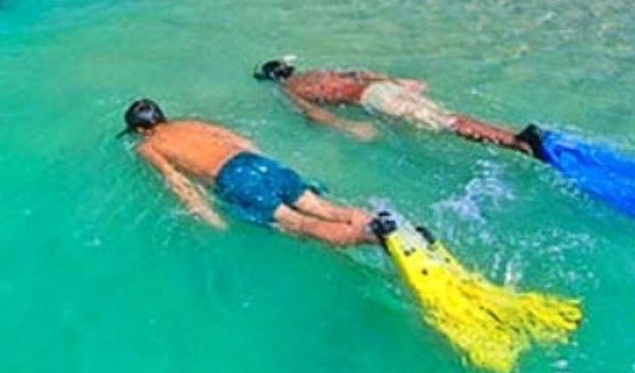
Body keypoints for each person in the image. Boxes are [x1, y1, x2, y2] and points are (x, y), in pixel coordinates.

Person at [121, 99, 378, 246]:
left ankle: (369, 237)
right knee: (328, 210)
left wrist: (205, 213)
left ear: (142, 130)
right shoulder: (188, 123)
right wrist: (265, 169)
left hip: (236, 178)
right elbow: (239, 139)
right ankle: (378, 225)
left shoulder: (149, 146)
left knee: (300, 223)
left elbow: (175, 181)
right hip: (258, 163)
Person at [254, 58, 533, 153]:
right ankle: (511, 133)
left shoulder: (288, 88)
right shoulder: (317, 71)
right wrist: (397, 81)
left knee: (445, 123)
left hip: (376, 100)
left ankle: (513, 142)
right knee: (444, 117)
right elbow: (361, 74)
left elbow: (313, 112)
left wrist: (348, 126)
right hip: (382, 89)